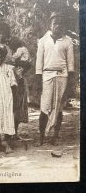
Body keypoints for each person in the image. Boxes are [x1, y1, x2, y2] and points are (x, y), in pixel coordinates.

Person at [35, 12, 75, 146]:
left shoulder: (67, 41)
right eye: (54, 23)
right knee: (44, 107)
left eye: (60, 23)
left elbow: (71, 65)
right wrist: (38, 80)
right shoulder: (42, 41)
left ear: (63, 26)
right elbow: (39, 64)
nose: (57, 26)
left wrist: (70, 83)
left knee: (58, 108)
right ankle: (41, 136)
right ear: (49, 25)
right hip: (47, 76)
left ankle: (55, 136)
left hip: (62, 76)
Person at [0, 22, 32, 140]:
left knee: (16, 105)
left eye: (3, 32)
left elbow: (27, 62)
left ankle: (13, 132)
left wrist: (19, 69)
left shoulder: (14, 44)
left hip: (15, 79)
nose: (0, 35)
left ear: (7, 33)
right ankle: (0, 134)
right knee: (1, 106)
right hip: (0, 80)